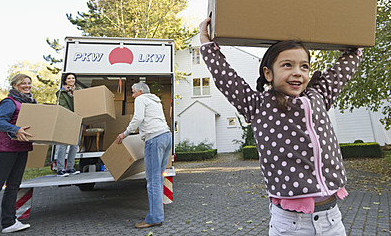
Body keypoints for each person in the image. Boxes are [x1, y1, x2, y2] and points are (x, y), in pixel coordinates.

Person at [199, 17, 363, 235]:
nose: (298, 72)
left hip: (331, 220)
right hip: (290, 225)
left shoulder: (319, 96)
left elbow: (344, 67)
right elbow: (225, 77)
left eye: (304, 66)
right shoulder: (258, 105)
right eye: (287, 65)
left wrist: (356, 39)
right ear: (268, 73)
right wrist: (206, 44)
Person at [0, 74, 35, 236]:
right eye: (22, 83)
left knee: (13, 186)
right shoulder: (9, 102)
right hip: (4, 148)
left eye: (29, 83)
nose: (26, 85)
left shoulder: (29, 103)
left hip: (21, 147)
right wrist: (16, 129)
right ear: (15, 86)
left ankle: (9, 222)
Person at [115, 82, 172, 229]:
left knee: (152, 180)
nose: (132, 95)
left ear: (140, 92)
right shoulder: (155, 100)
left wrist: (124, 133)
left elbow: (138, 118)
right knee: (158, 178)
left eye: (133, 92)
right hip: (166, 136)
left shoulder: (141, 99)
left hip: (154, 139)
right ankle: (156, 212)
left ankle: (154, 218)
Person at [55, 73, 81, 177]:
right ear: (65, 80)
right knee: (63, 145)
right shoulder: (61, 92)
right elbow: (63, 106)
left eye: (73, 78)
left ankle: (70, 167)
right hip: (67, 119)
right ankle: (60, 169)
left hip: (78, 120)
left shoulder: (79, 90)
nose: (71, 80)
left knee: (74, 145)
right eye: (69, 78)